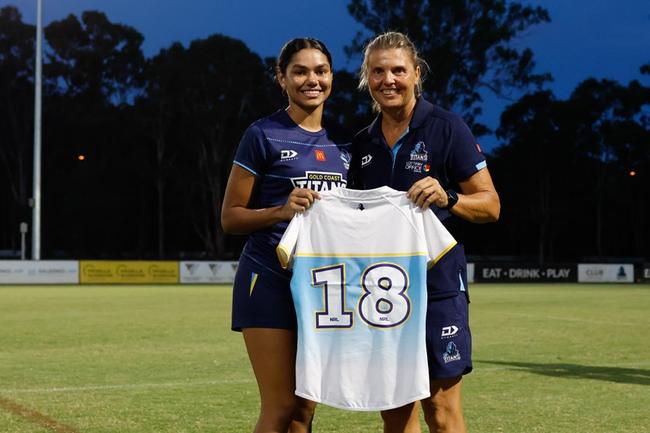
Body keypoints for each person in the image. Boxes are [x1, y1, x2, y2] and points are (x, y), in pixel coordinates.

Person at [350, 32, 500, 433]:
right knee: (395, 410)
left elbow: (490, 205)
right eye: (378, 71)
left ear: (416, 74)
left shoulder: (448, 128)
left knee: (441, 408)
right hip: (382, 294)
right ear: (367, 77)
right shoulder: (362, 143)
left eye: (398, 70)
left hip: (438, 288)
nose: (389, 80)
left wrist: (449, 197)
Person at [221, 38, 350, 433]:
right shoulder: (262, 134)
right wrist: (280, 210)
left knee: (304, 412)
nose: (312, 80)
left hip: (323, 286)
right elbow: (230, 218)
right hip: (268, 279)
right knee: (279, 407)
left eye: (320, 71)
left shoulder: (346, 142)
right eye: (300, 71)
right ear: (282, 78)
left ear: (331, 77)